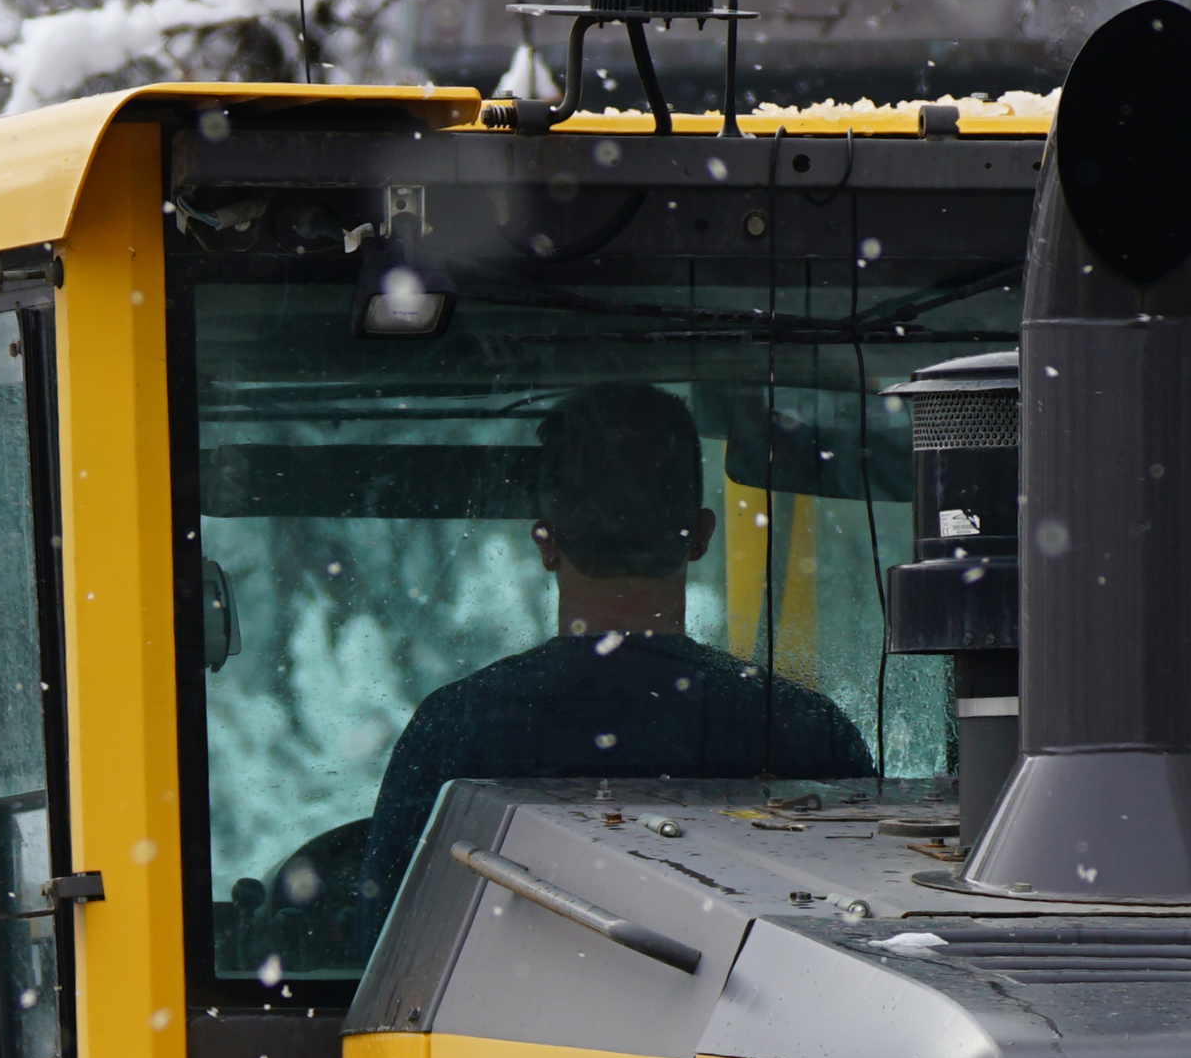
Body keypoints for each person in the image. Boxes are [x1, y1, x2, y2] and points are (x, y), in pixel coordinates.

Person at [357, 384, 875, 929]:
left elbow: (385, 940)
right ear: (699, 536)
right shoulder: (803, 728)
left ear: (546, 541)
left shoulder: (456, 727)